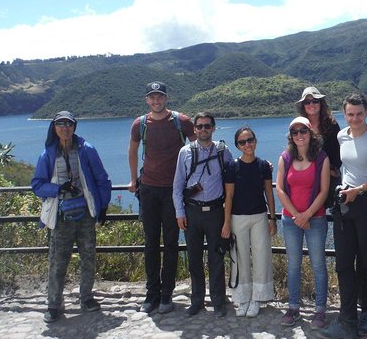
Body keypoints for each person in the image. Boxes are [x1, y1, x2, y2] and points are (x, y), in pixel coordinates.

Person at [320, 93, 367, 339]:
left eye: (359, 114)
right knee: (343, 264)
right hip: (345, 203)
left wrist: (358, 190)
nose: (355, 118)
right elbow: (345, 167)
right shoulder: (342, 136)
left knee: (366, 261)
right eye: (350, 114)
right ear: (344, 114)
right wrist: (343, 188)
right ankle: (347, 317)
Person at [31, 111, 112, 323]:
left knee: (88, 258)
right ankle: (54, 304)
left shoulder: (87, 150)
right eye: (60, 124)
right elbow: (37, 185)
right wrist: (58, 189)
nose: (65, 128)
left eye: (68, 124)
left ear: (74, 127)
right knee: (57, 262)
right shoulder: (47, 155)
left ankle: (86, 297)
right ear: (54, 127)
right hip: (61, 217)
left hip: (85, 214)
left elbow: (102, 179)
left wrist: (103, 207)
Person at [127, 81, 195, 314]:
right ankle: (151, 294)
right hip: (148, 189)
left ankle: (166, 294)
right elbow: (133, 150)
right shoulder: (140, 124)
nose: (156, 101)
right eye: (152, 97)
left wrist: (196, 180)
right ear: (147, 100)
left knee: (172, 244)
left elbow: (198, 148)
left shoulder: (181, 122)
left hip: (174, 191)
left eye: (160, 97)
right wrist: (133, 179)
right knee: (150, 244)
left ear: (166, 98)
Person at [173, 111, 233, 317]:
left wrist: (264, 168)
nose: (203, 129)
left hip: (215, 211)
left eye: (207, 126)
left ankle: (218, 302)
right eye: (199, 126)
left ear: (213, 128)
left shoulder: (223, 151)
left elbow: (234, 178)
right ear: (194, 129)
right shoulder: (185, 152)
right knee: (194, 258)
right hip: (192, 212)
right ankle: (197, 300)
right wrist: (180, 212)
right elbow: (177, 185)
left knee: (217, 258)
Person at [276, 116, 330, 329]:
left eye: (303, 131)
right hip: (290, 220)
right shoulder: (285, 157)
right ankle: (293, 306)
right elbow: (279, 188)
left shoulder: (322, 158)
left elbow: (324, 190)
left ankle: (320, 310)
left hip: (315, 219)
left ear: (310, 134)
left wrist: (306, 214)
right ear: (291, 136)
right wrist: (296, 215)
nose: (299, 135)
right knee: (294, 265)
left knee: (318, 264)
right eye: (295, 132)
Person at [221, 127, 276, 318]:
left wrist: (272, 218)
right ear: (237, 145)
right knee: (240, 257)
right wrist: (226, 222)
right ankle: (243, 298)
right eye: (242, 142)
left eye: (250, 140)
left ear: (255, 140)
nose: (247, 145)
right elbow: (229, 196)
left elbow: (269, 193)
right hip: (237, 218)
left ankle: (257, 299)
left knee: (262, 257)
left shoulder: (263, 166)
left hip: (260, 216)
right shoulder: (232, 167)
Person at [296, 86, 342, 197]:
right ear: (303, 106)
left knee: (333, 210)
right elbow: (293, 152)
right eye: (307, 102)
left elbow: (338, 152)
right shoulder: (299, 127)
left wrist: (330, 170)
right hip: (307, 178)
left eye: (315, 101)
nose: (311, 104)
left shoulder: (332, 125)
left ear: (321, 103)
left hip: (329, 178)